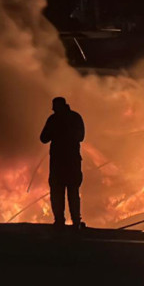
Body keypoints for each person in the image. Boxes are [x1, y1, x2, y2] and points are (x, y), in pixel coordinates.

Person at [40, 97, 85, 228]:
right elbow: (43, 138)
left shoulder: (54, 119)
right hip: (69, 162)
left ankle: (63, 221)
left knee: (61, 192)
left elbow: (43, 138)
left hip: (62, 162)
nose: (53, 109)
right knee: (70, 192)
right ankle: (73, 221)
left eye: (54, 107)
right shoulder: (74, 117)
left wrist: (59, 131)